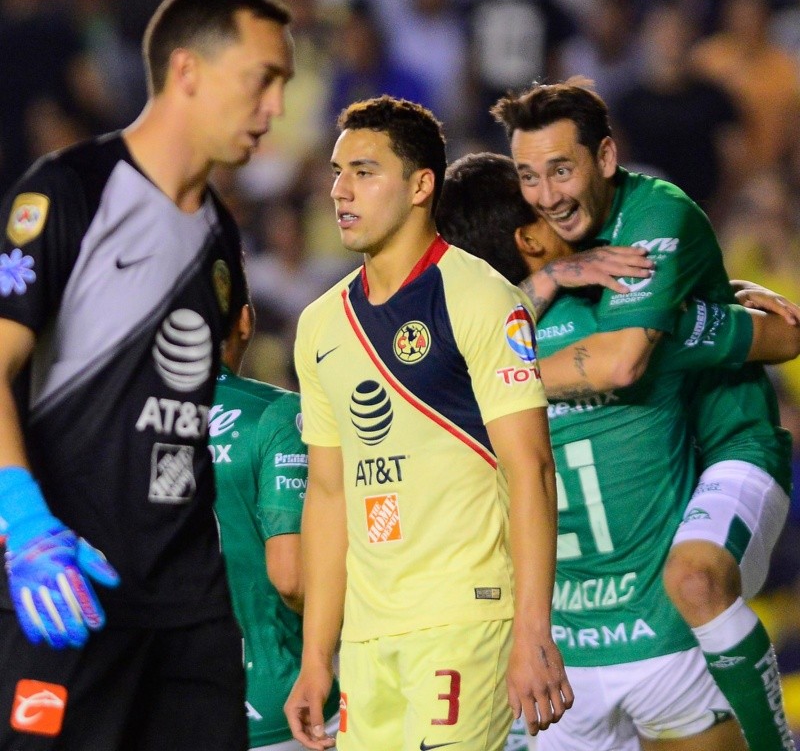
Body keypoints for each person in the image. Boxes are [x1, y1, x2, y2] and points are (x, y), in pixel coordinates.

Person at [0, 0, 294, 750]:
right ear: (189, 72)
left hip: (192, 611)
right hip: (69, 593)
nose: (275, 110)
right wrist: (23, 521)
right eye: (261, 80)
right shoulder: (69, 193)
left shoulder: (220, 237)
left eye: (284, 85)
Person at [437, 144, 796, 751]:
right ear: (530, 240)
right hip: (662, 638)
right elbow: (779, 336)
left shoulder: (449, 364)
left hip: (555, 657)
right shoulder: (626, 316)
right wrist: (709, 298)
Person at [284, 96, 572, 751]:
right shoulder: (320, 324)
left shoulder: (479, 297)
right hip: (367, 637)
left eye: (363, 171)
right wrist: (317, 656)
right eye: (336, 172)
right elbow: (328, 495)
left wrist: (533, 630)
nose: (339, 190)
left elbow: (531, 467)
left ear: (421, 186)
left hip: (464, 622)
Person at [211, 291, 340, 751]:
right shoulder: (276, 415)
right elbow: (292, 580)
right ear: (245, 320)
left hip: (161, 700)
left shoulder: (127, 424)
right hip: (275, 705)